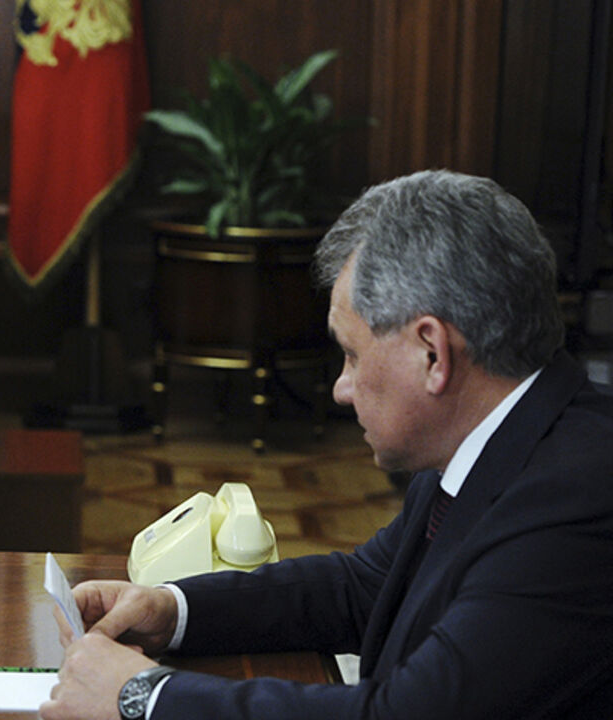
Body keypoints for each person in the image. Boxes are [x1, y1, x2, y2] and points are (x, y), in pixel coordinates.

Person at [41, 170, 613, 719]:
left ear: (432, 354)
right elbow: (363, 588)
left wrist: (145, 698)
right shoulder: (494, 440)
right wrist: (174, 610)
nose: (341, 388)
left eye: (354, 354)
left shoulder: (575, 498)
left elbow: (413, 713)